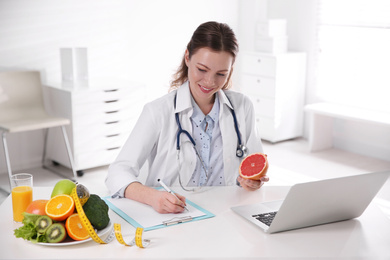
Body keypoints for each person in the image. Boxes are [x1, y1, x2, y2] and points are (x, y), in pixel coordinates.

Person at [105, 21, 269, 214]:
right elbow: (117, 173)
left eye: (221, 74)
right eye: (202, 69)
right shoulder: (157, 112)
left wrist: (251, 181)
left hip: (227, 212)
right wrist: (152, 197)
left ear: (230, 70)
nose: (210, 81)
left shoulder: (242, 107)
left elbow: (253, 166)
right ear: (187, 58)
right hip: (175, 215)